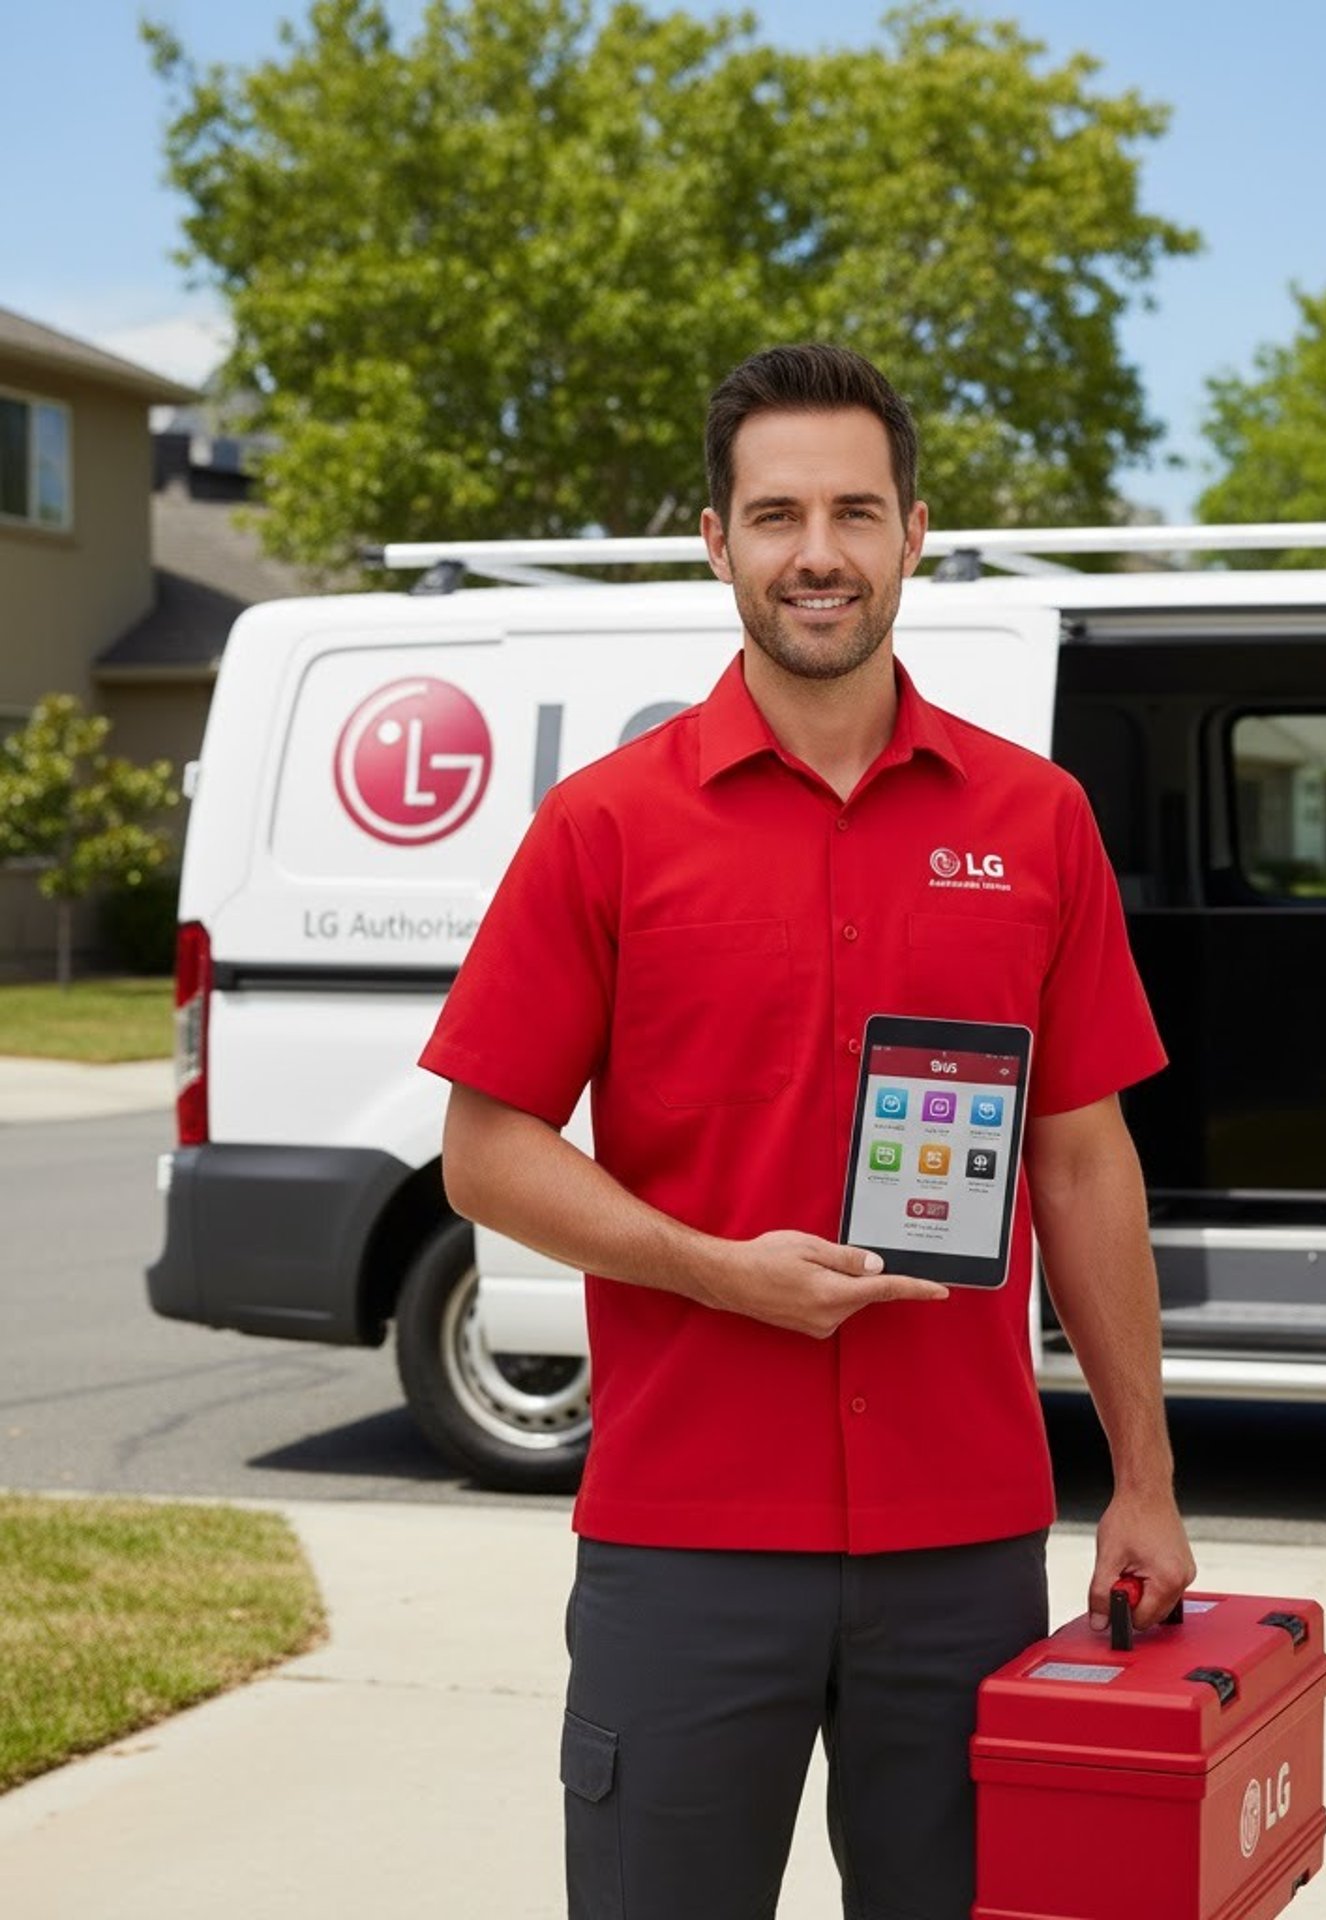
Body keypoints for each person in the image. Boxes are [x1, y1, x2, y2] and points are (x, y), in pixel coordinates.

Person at [420, 342, 1194, 1920]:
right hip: (683, 1546)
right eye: (776, 514)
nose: (817, 552)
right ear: (716, 540)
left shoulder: (1034, 819)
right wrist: (715, 1271)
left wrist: (1145, 1479)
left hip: (967, 1546)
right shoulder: (607, 826)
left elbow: (1082, 1157)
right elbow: (487, 1147)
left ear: (918, 530)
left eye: (855, 509)